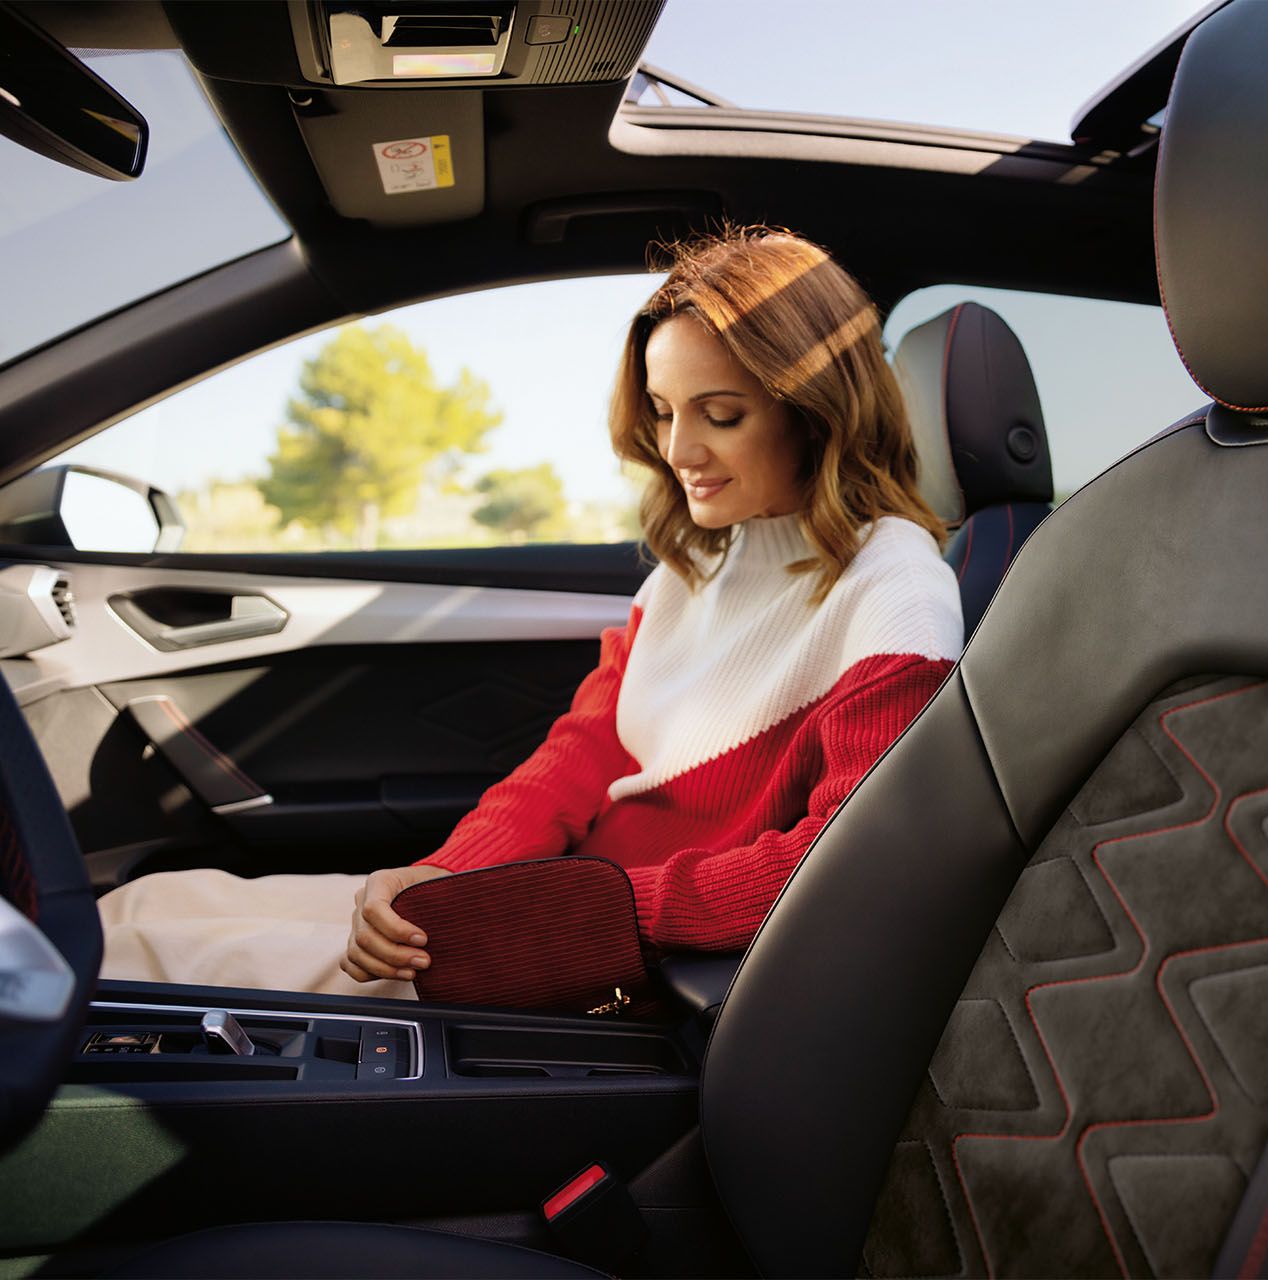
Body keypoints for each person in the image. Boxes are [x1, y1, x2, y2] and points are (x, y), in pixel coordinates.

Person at [98, 226, 963, 1000]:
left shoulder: (892, 591)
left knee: (140, 964)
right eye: (662, 413)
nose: (677, 451)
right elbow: (578, 758)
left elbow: (848, 859)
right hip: (559, 898)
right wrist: (446, 873)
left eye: (722, 416)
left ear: (818, 414)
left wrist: (583, 909)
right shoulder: (698, 566)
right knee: (144, 906)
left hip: (608, 946)